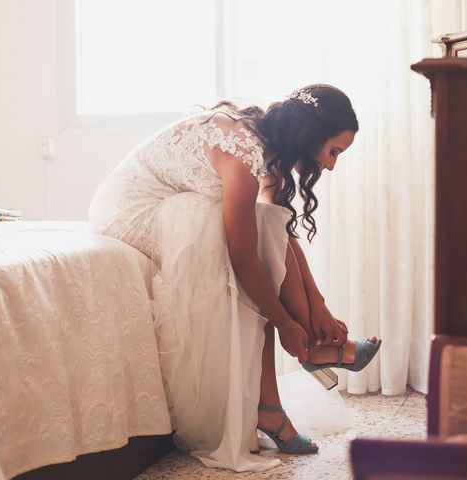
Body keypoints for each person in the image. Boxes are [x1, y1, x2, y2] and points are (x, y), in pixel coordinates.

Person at [88, 84, 381, 472]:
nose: (330, 166)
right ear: (310, 136)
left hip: (174, 205)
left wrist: (319, 308)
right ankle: (296, 375)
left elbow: (282, 237)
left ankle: (290, 380)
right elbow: (245, 258)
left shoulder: (266, 147)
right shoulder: (241, 153)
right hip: (130, 211)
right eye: (333, 152)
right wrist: (285, 322)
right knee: (247, 247)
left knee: (268, 228)